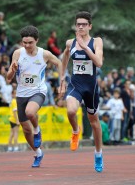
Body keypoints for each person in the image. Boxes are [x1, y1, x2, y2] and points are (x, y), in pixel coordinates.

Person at [6, 25, 65, 168]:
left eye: (30, 42)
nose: (26, 45)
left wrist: (62, 82)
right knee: (26, 130)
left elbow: (59, 63)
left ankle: (37, 130)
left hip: (38, 90)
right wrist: (12, 70)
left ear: (37, 40)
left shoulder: (44, 54)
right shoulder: (18, 54)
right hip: (21, 93)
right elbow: (8, 78)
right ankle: (38, 153)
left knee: (30, 112)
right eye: (24, 42)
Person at [61, 11, 104, 172]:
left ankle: (98, 154)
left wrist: (85, 47)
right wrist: (61, 77)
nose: (80, 26)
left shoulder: (96, 41)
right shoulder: (69, 43)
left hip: (90, 87)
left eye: (84, 24)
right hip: (75, 84)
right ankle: (75, 131)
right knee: (71, 110)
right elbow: (64, 58)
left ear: (90, 26)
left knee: (94, 122)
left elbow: (99, 63)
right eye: (78, 24)